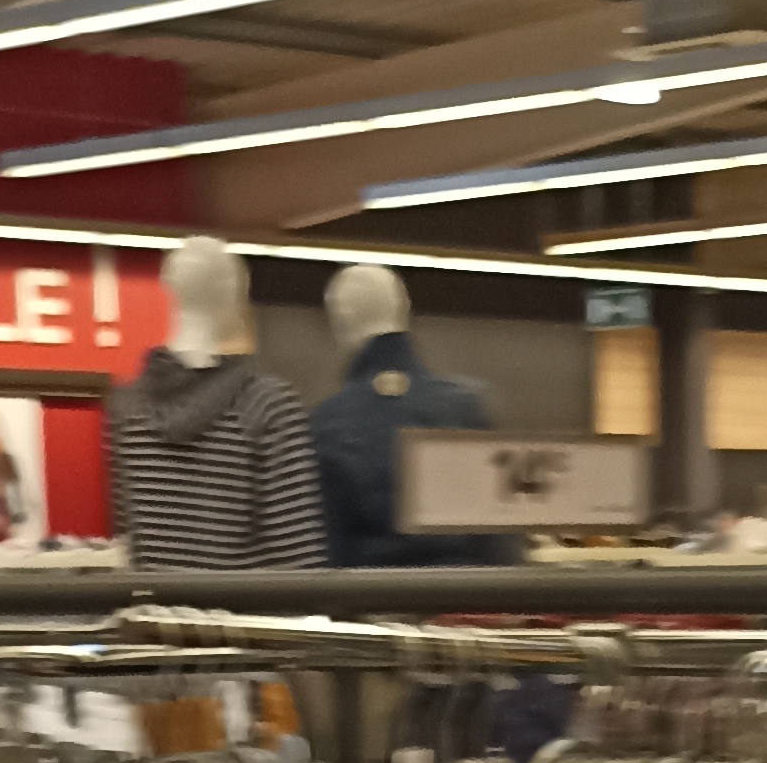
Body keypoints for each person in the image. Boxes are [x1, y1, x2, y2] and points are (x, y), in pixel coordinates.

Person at [107, 240, 325, 567]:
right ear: (231, 293)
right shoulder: (267, 405)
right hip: (241, 602)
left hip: (155, 600)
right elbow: (298, 559)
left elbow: (132, 546)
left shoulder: (127, 409)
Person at [308, 264, 496, 566]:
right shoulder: (466, 408)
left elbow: (327, 548)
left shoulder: (326, 422)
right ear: (404, 310)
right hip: (464, 590)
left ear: (339, 322)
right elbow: (496, 536)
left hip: (368, 590)